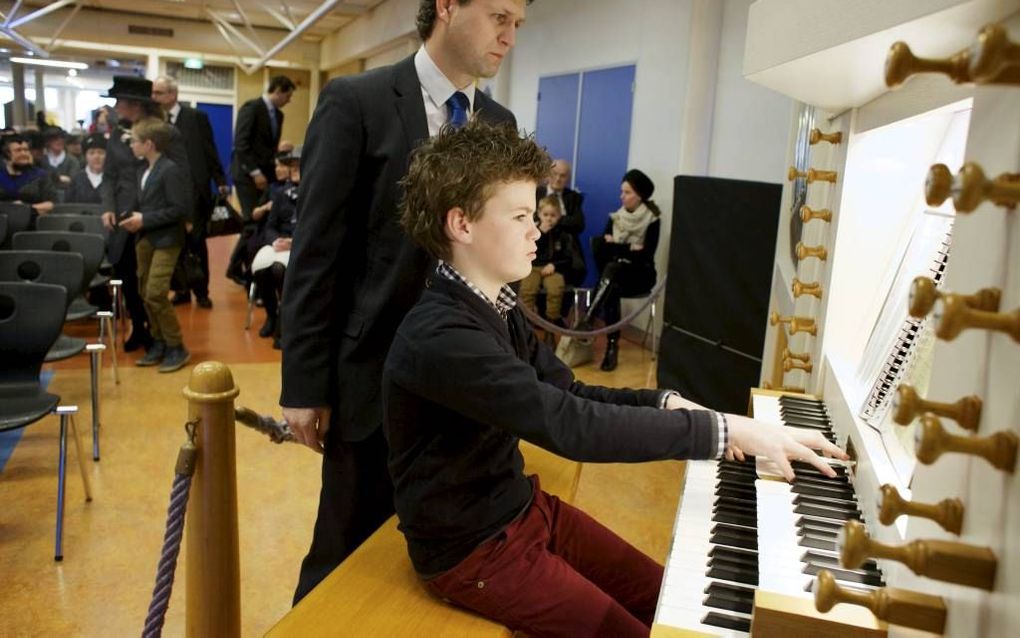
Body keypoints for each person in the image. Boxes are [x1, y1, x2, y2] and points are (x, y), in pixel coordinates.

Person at [384, 119, 847, 638]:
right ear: (461, 225)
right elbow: (570, 425)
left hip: (522, 509)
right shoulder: (441, 336)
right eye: (519, 216)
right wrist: (723, 432)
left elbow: (570, 391)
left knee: (661, 597)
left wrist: (669, 404)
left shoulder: (496, 304)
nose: (536, 231)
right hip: (471, 551)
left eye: (533, 214)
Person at [281, 0, 529, 604]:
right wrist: (304, 384)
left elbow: (498, 261)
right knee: (342, 550)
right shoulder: (357, 102)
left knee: (443, 555)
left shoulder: (498, 123)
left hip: (464, 381)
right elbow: (317, 251)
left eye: (518, 24)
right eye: (499, 16)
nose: (508, 36)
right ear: (447, 6)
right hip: (370, 376)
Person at [100, 75, 192, 353]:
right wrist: (108, 207)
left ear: (135, 105)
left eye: (120, 101)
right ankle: (139, 328)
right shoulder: (117, 134)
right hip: (122, 217)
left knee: (153, 284)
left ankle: (161, 336)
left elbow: (181, 175)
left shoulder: (164, 132)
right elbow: (109, 175)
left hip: (154, 216)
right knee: (130, 278)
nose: (116, 106)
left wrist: (186, 217)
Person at [116, 118, 191, 373]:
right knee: (144, 292)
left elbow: (179, 209)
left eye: (134, 141)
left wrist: (144, 219)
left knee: (156, 292)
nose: (132, 146)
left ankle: (176, 345)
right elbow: (150, 203)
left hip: (167, 240)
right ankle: (158, 341)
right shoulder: (143, 170)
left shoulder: (170, 170)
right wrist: (133, 216)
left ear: (148, 144)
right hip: (146, 239)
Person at [152, 75, 229, 310]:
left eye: (158, 93)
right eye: (153, 93)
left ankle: (201, 291)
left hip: (194, 189)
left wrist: (220, 179)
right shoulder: (154, 121)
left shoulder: (196, 118)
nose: (153, 97)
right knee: (174, 241)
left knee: (196, 241)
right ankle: (181, 289)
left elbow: (209, 149)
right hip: (165, 192)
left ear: (172, 95)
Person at [586, 169, 661, 372]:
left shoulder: (653, 219)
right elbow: (601, 250)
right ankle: (612, 346)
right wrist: (629, 248)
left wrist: (618, 246)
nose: (622, 196)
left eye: (627, 192)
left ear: (640, 195)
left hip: (641, 275)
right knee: (613, 282)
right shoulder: (616, 217)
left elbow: (645, 256)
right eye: (622, 192)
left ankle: (588, 320)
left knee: (612, 273)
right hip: (615, 276)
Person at [227, 75, 295, 286]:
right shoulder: (252, 108)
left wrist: (279, 153)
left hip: (266, 175)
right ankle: (244, 272)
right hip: (248, 174)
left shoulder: (279, 116)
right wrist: (256, 173)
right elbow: (241, 144)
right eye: (288, 95)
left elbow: (266, 146)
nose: (289, 100)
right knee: (251, 223)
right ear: (278, 90)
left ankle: (242, 269)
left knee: (260, 222)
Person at [251, 146, 301, 349]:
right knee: (261, 270)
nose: (294, 170)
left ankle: (284, 320)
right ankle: (272, 315)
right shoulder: (280, 194)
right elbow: (270, 225)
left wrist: (293, 241)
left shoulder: (314, 193)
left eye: (298, 166)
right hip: (279, 244)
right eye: (292, 166)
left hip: (298, 244)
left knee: (278, 270)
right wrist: (275, 241)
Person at [519, 195, 572, 329]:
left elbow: (568, 258)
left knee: (556, 288)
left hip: (553, 269)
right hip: (532, 267)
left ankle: (551, 323)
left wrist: (554, 265)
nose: (549, 218)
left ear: (559, 215)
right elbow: (527, 249)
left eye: (553, 215)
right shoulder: (533, 231)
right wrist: (541, 233)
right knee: (527, 289)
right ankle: (526, 323)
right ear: (539, 214)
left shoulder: (563, 234)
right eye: (545, 214)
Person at [0, 134, 56, 215]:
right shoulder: (1, 177)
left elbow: (51, 204)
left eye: (26, 150)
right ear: (7, 154)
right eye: (18, 150)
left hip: (33, 223)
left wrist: (25, 209)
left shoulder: (40, 176)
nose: (23, 153)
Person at [66, 133, 106, 204]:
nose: (96, 157)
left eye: (100, 153)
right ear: (85, 156)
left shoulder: (113, 178)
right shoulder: (77, 179)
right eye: (91, 153)